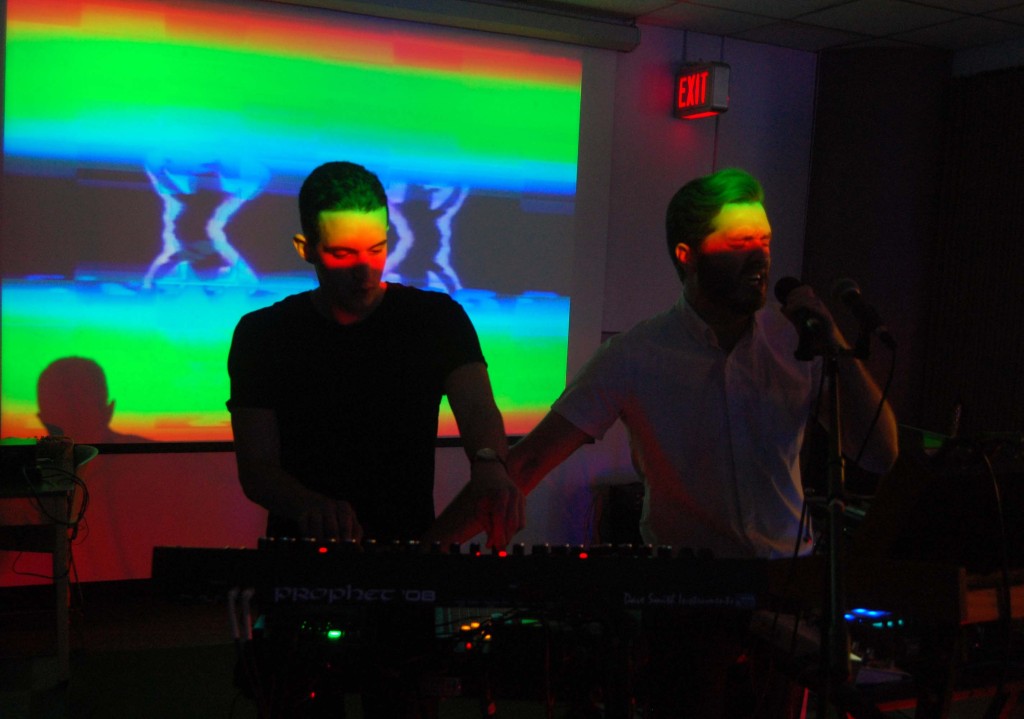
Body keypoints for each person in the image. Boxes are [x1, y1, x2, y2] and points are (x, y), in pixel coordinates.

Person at [436, 167, 899, 717]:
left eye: (765, 241)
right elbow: (531, 460)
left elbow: (878, 451)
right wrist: (423, 556)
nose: (760, 257)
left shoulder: (795, 343)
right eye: (738, 242)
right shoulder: (636, 355)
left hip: (788, 589)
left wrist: (833, 338)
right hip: (686, 600)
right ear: (687, 255)